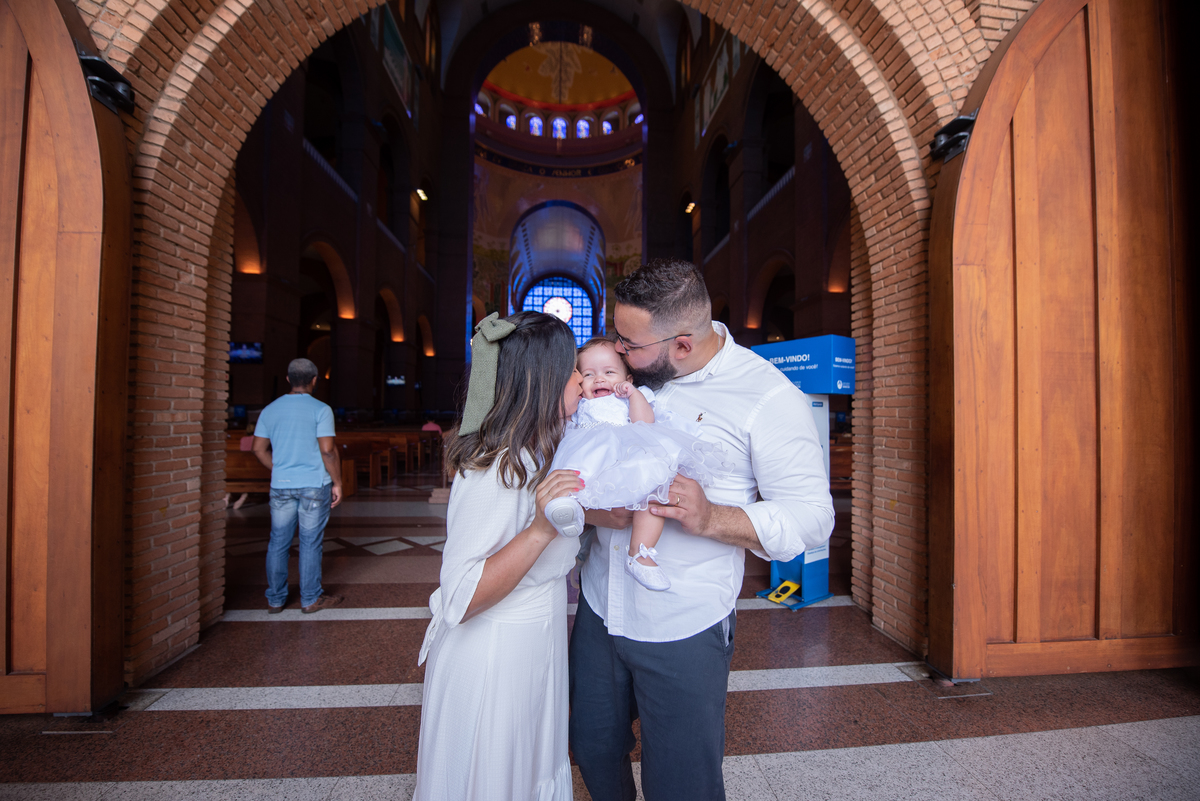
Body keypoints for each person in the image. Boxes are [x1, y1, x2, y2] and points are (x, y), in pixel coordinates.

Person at [569, 258, 835, 801]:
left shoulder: (765, 397)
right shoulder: (624, 379)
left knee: (681, 781)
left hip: (683, 622)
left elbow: (813, 516)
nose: (617, 352)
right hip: (599, 605)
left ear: (682, 344)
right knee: (593, 747)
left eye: (630, 344)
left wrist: (712, 516)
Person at [412, 311, 585, 801]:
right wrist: (540, 529)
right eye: (572, 367)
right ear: (543, 378)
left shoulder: (535, 452)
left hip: (532, 638)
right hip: (496, 652)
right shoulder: (496, 466)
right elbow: (462, 597)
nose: (580, 378)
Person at [544, 337, 731, 591]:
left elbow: (645, 424)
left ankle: (640, 554)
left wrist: (632, 396)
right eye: (588, 374)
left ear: (628, 380)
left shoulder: (631, 397)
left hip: (626, 460)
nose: (599, 379)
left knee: (654, 489)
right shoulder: (582, 405)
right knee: (568, 483)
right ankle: (569, 520)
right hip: (590, 463)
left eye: (609, 372)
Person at [252, 358, 345, 614]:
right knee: (310, 542)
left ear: (288, 379)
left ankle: (275, 599)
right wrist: (337, 481)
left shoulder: (270, 410)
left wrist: (280, 469)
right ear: (315, 381)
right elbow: (327, 451)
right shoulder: (321, 409)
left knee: (278, 542)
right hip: (314, 485)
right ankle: (311, 598)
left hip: (281, 485)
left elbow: (258, 449)